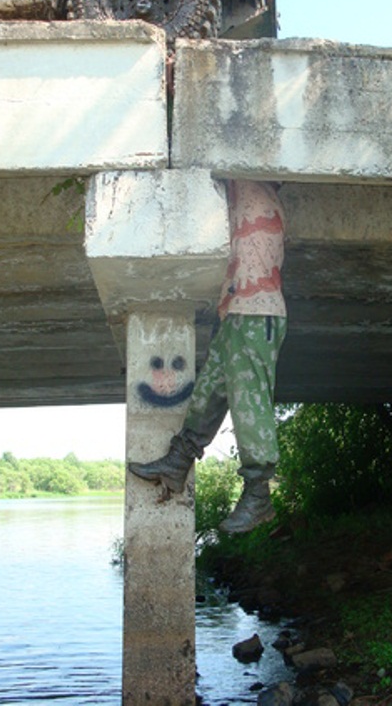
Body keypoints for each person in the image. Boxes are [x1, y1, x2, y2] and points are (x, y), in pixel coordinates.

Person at [129, 179, 287, 533]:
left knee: (250, 405)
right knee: (208, 394)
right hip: (235, 314)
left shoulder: (259, 195)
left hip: (258, 313)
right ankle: (177, 462)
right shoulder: (240, 193)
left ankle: (258, 494)